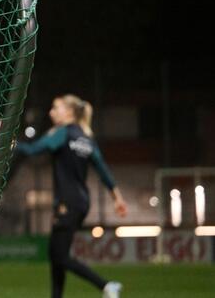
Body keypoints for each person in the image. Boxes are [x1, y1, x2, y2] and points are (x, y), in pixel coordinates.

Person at [16, 94, 128, 298]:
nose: (51, 112)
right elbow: (102, 169)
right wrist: (117, 197)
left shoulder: (63, 133)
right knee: (56, 254)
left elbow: (33, 150)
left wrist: (11, 144)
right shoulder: (85, 137)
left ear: (68, 112)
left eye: (55, 108)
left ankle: (106, 285)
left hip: (67, 202)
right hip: (81, 202)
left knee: (59, 255)